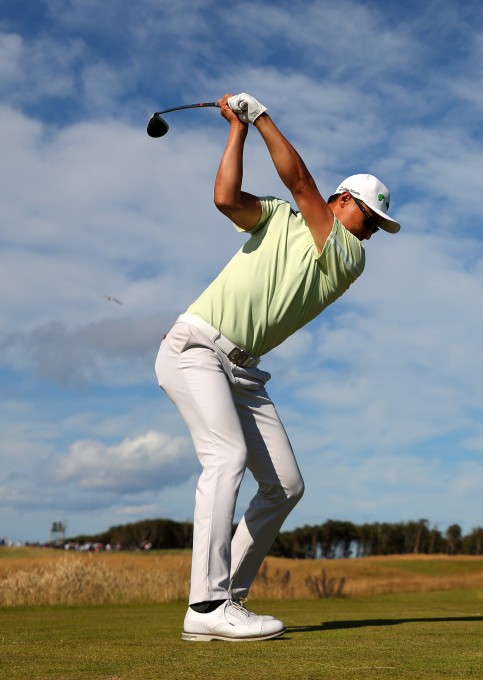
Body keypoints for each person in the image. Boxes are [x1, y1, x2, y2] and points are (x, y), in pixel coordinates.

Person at [155, 92, 400, 642]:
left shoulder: (346, 255)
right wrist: (238, 128)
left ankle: (227, 597)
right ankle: (207, 603)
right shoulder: (277, 218)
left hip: (242, 372)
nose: (370, 232)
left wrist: (261, 115)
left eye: (378, 226)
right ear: (344, 200)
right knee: (228, 456)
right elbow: (224, 198)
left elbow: (300, 185)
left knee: (285, 485)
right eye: (369, 216)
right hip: (195, 348)